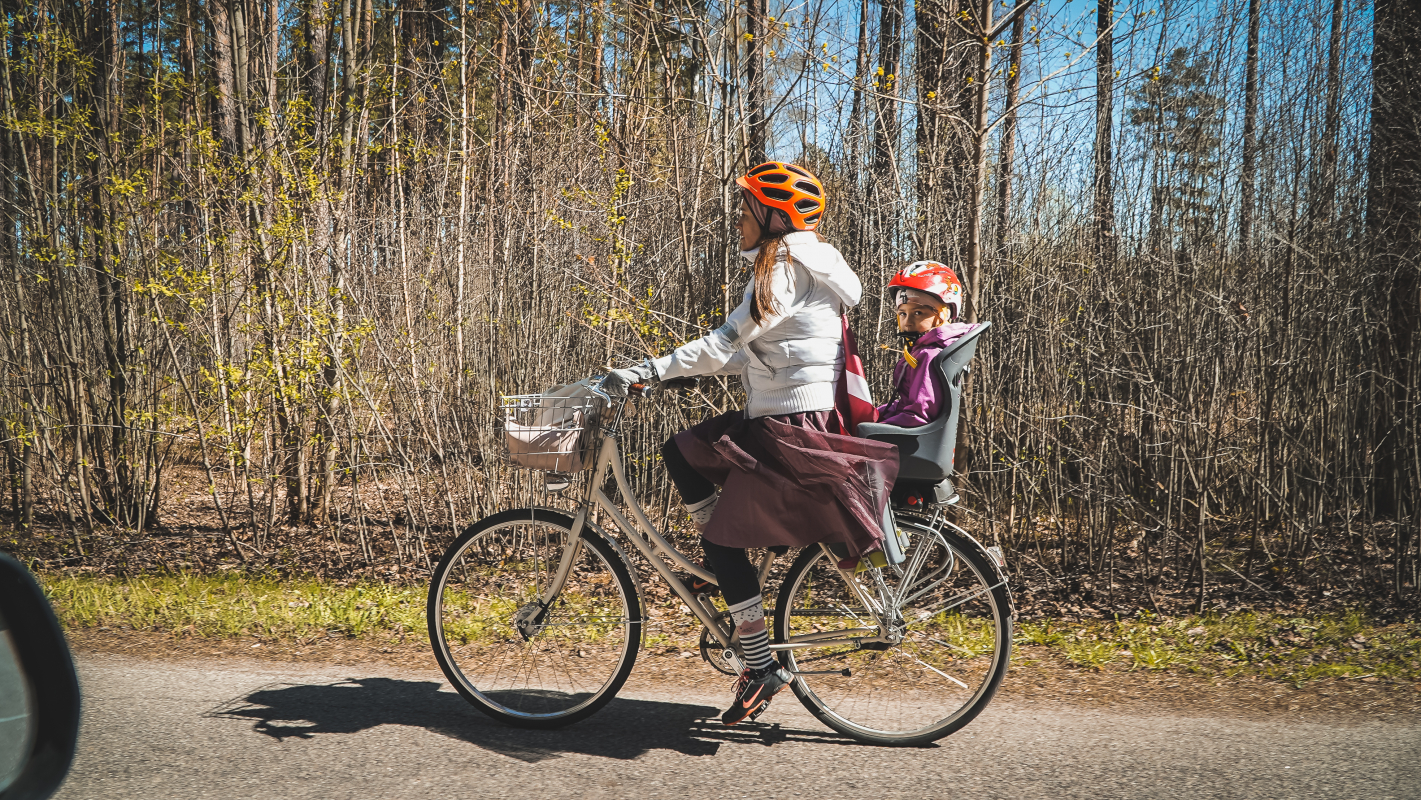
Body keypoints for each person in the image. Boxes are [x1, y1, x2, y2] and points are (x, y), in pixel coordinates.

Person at [602, 161, 898, 726]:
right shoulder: (805, 265)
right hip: (786, 415)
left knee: (719, 532)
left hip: (788, 429)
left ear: (774, 216)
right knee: (682, 450)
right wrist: (671, 372)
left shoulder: (782, 267)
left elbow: (726, 341)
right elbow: (759, 350)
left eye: (745, 210)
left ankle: (760, 663)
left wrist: (652, 367)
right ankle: (726, 569)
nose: (737, 219)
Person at [875, 261, 979, 428]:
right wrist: (875, 414)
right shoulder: (932, 350)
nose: (907, 322)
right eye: (902, 313)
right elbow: (907, 404)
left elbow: (918, 416)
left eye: (918, 312)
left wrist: (873, 428)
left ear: (943, 314)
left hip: (911, 446)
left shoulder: (930, 356)